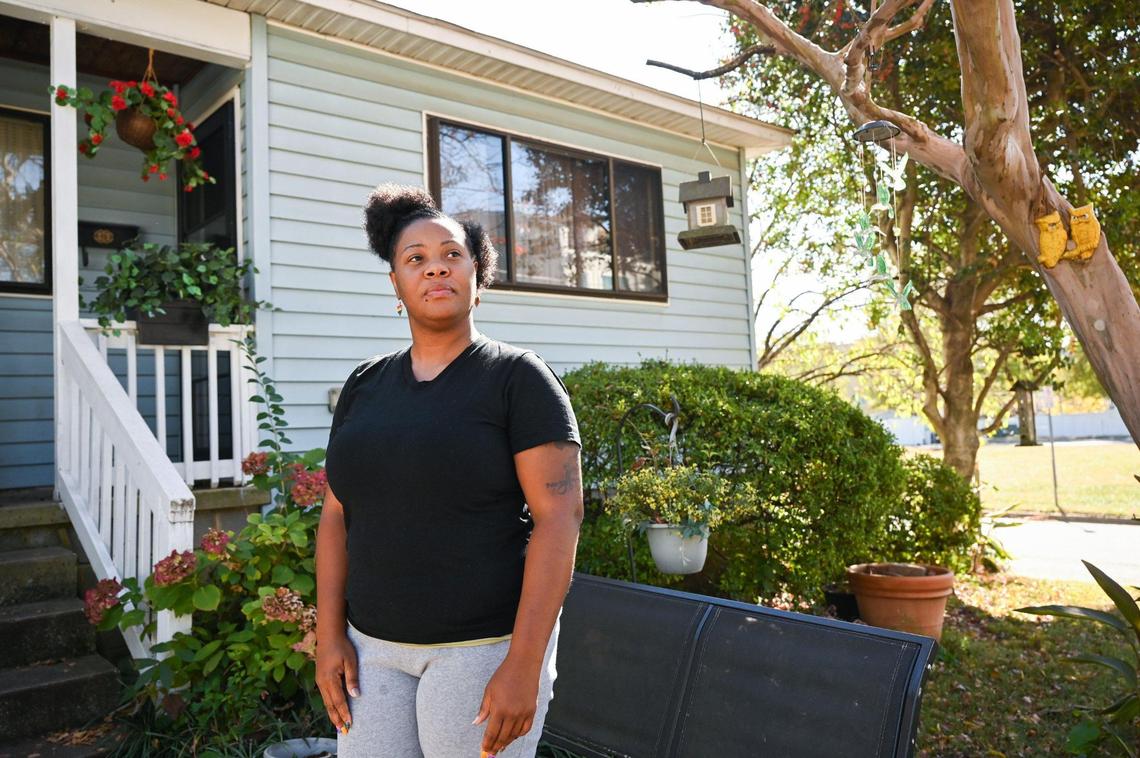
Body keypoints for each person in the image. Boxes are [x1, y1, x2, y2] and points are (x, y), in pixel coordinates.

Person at [315, 184, 583, 758]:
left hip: (483, 648)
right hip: (372, 653)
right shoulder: (364, 386)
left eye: (451, 255)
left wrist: (525, 665)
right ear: (395, 284)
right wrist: (329, 633)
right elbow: (337, 515)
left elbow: (559, 519)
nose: (435, 268)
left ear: (476, 277)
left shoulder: (519, 379)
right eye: (416, 259)